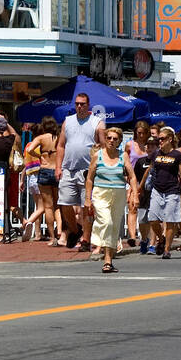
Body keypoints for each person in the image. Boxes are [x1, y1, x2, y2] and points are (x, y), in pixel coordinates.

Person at [54, 93, 105, 251]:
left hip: (87, 170)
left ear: (88, 105)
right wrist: (58, 166)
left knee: (86, 207)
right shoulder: (68, 121)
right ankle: (76, 230)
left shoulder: (96, 122)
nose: (79, 106)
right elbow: (61, 145)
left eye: (82, 104)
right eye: (77, 104)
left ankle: (86, 239)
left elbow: (103, 145)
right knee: (64, 203)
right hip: (69, 168)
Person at [84, 127, 138, 273]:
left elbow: (132, 177)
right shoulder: (98, 155)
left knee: (114, 226)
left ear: (120, 141)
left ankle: (108, 261)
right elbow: (89, 178)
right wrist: (87, 199)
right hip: (101, 193)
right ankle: (96, 242)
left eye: (115, 139)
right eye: (109, 138)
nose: (112, 141)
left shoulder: (123, 156)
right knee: (106, 221)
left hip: (119, 192)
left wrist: (135, 195)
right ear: (105, 139)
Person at [147, 127, 181, 257]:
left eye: (162, 138)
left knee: (170, 220)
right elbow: (150, 171)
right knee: (152, 218)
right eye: (158, 139)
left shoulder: (177, 155)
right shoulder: (156, 154)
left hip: (172, 190)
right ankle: (161, 238)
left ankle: (167, 250)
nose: (160, 141)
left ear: (170, 139)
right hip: (157, 189)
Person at [22, 116, 61, 245]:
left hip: (44, 171)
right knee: (57, 205)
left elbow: (29, 149)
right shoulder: (59, 137)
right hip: (56, 170)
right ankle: (60, 231)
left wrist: (40, 156)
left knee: (48, 206)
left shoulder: (40, 138)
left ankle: (52, 237)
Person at [133, 134, 159, 252]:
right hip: (143, 194)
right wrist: (135, 191)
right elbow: (134, 178)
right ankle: (144, 239)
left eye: (153, 146)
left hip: (156, 193)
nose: (150, 148)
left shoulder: (160, 160)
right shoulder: (140, 161)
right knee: (142, 220)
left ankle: (153, 244)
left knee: (153, 219)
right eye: (148, 146)